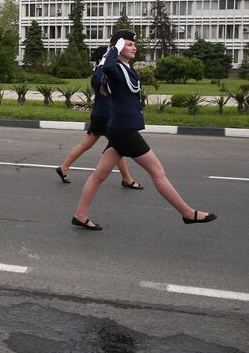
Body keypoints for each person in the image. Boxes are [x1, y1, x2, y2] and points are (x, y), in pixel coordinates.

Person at [72, 30, 217, 230]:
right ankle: (187, 213)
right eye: (129, 44)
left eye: (134, 44)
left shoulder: (125, 68)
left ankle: (80, 214)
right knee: (157, 170)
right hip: (124, 130)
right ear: (119, 46)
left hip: (120, 127)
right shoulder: (112, 68)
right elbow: (105, 71)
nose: (134, 47)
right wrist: (114, 48)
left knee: (100, 174)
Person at [56, 46, 142, 189]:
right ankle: (127, 179)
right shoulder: (103, 73)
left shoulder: (102, 71)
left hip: (100, 114)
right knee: (118, 147)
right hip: (107, 116)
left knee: (87, 145)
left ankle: (64, 167)